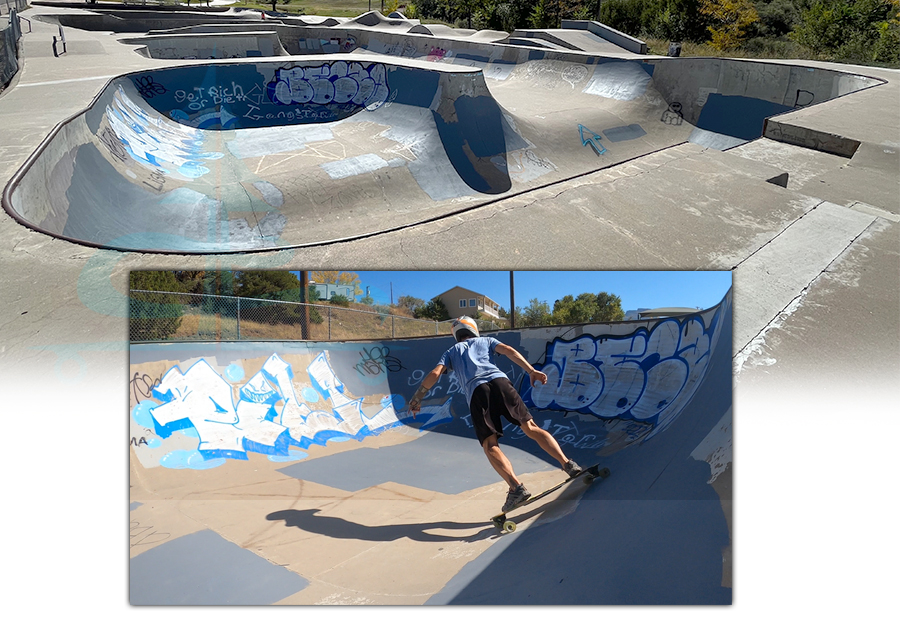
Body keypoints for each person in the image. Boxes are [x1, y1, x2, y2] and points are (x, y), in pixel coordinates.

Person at [409, 316, 582, 512]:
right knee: (531, 427)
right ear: (474, 329)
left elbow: (435, 373)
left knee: (490, 444)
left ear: (456, 335)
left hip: (477, 391)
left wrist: (417, 398)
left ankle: (516, 488)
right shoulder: (487, 341)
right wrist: (531, 370)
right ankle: (568, 464)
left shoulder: (451, 351)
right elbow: (509, 351)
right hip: (501, 383)